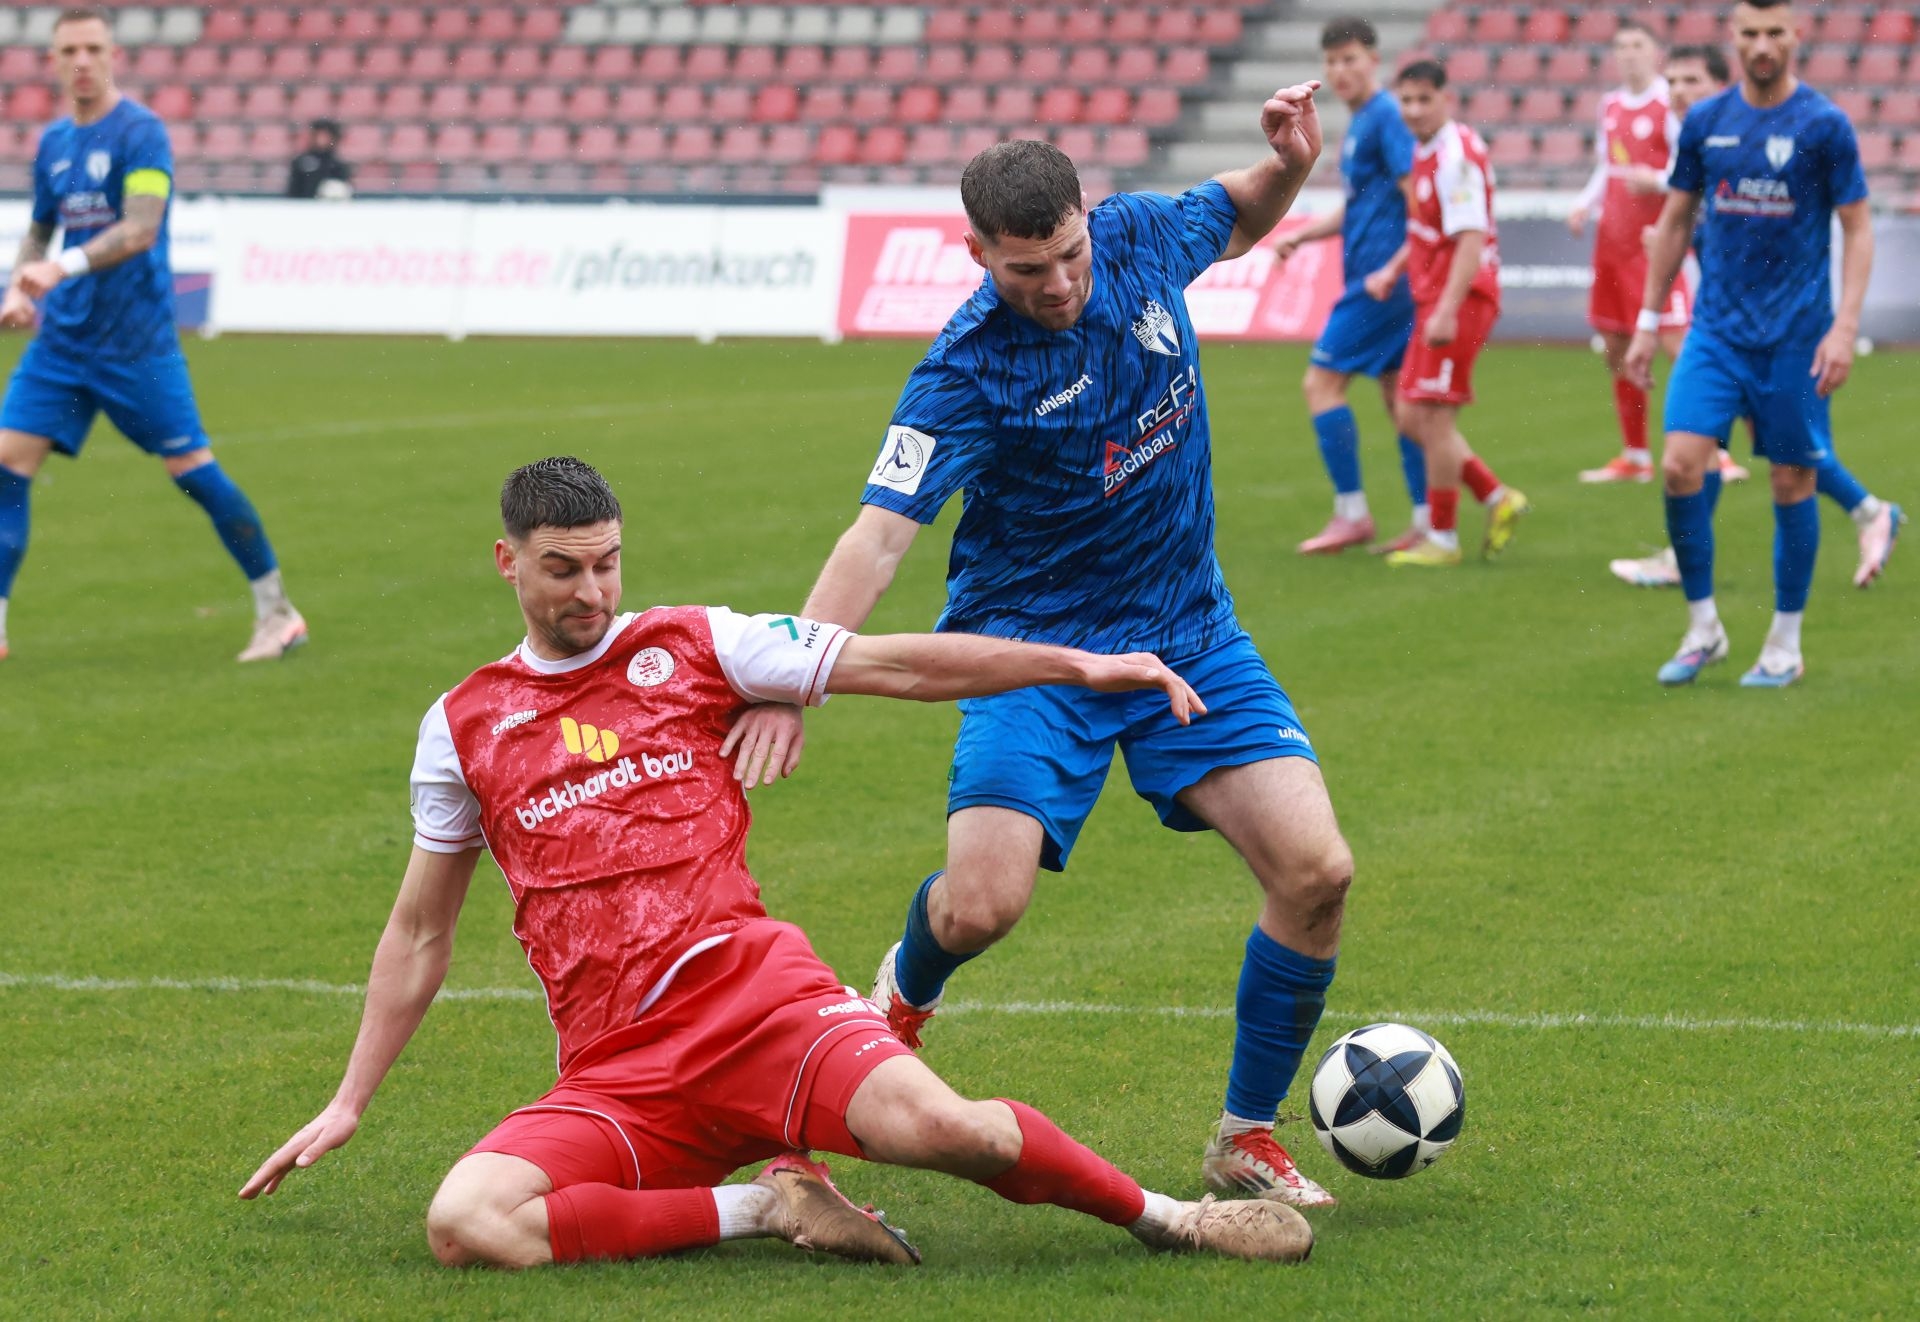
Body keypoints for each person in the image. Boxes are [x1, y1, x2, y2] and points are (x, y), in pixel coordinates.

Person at [238, 456, 1315, 1269]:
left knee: (951, 1130)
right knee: (466, 1219)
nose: (592, 591)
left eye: (607, 561)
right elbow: (421, 927)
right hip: (619, 1067)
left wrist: (1076, 662)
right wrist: (349, 1099)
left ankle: (1175, 1218)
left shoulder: (699, 643)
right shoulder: (464, 722)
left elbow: (896, 665)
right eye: (562, 568)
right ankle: (771, 1204)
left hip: (761, 1004)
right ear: (508, 560)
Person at [729, 88, 1357, 1211]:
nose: (1058, 284)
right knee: (980, 907)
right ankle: (892, 1010)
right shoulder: (964, 372)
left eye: (1066, 254)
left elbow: (1247, 215)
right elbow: (875, 539)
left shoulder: (1142, 234)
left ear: (1086, 218)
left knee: (1317, 872)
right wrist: (792, 676)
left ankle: (1245, 1134)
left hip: (1188, 635)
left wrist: (1292, 162)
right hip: (1032, 659)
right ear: (976, 253)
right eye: (1026, 271)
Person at [0, 6, 303, 663]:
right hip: (63, 345)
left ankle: (277, 610)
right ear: (52, 61)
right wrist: (20, 283)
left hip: (137, 344)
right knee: (5, 464)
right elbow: (40, 227)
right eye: (68, 51)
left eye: (92, 49)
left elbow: (140, 227)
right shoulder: (53, 142)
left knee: (191, 471)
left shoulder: (141, 133)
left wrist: (62, 265)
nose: (81, 61)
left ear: (112, 56)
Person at [1626, 0, 1874, 687]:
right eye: (1750, 33)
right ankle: (1704, 628)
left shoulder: (1824, 124)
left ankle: (1784, 645)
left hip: (1796, 338)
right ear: (1732, 39)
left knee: (1791, 480)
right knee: (1680, 465)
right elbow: (1676, 220)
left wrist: (1846, 325)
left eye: (1774, 32)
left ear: (1796, 36)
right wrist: (1649, 322)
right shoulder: (1707, 122)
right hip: (1716, 332)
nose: (1762, 45)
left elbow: (1857, 227)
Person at [1610, 44, 1902, 590]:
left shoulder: (1745, 129)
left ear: (1722, 85)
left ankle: (1865, 512)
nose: (1677, 92)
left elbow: (1758, 227)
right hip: (1724, 314)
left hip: (1773, 323)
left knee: (1770, 450)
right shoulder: (1699, 134)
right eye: (1671, 81)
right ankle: (1864, 512)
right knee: (1707, 439)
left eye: (1691, 80)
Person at [1363, 61, 1530, 568]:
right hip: (1434, 293)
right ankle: (1496, 496)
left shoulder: (1455, 156)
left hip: (1461, 296)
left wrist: (1448, 311)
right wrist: (1395, 268)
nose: (1413, 111)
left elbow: (1471, 239)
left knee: (1432, 418)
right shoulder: (1425, 149)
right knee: (1413, 414)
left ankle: (1443, 538)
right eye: (1406, 101)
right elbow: (1428, 230)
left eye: (1423, 100)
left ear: (1445, 99)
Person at [1278, 17, 1430, 556]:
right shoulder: (1366, 120)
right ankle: (1428, 519)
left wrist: (1395, 266)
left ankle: (1352, 513)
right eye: (1332, 62)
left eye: (1350, 59)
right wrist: (1305, 236)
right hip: (1385, 281)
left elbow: (1422, 201)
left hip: (1381, 284)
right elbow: (1364, 204)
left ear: (1374, 60)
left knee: (1321, 385)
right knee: (1400, 402)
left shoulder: (1386, 116)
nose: (1340, 71)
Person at [1566, 21, 1737, 485]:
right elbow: (1609, 164)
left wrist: (1656, 179)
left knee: (1679, 345)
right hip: (1615, 240)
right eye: (1620, 46)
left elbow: (1691, 170)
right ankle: (1635, 454)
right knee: (1617, 346)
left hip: (1658, 241)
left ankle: (1715, 452)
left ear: (1655, 52)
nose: (1627, 54)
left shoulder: (1672, 102)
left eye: (1637, 45)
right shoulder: (1611, 105)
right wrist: (1585, 202)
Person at [286, 118, 353, 200]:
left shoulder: (338, 165)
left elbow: (343, 191)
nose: (321, 139)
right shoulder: (301, 162)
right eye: (319, 135)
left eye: (325, 135)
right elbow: (293, 191)